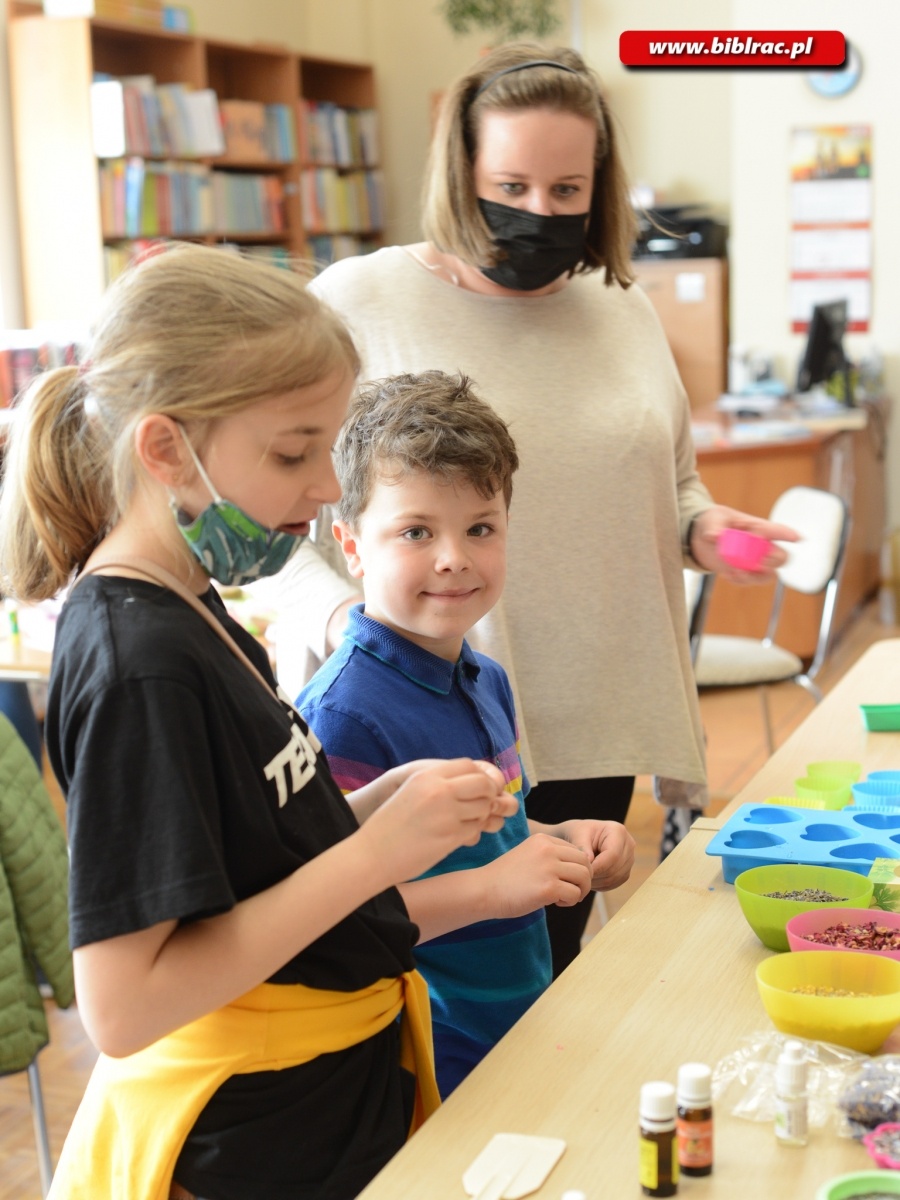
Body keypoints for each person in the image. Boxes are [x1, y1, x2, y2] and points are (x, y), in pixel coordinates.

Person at [252, 42, 798, 978]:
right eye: (511, 183)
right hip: (409, 716)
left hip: (595, 702)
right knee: (405, 972)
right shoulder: (356, 302)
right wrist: (346, 616)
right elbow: (262, 518)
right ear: (462, 174)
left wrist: (705, 532)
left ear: (601, 187)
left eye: (566, 189)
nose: (538, 212)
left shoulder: (621, 306)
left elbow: (669, 485)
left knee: (536, 968)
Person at [0, 243, 524, 1200]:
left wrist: (365, 818)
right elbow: (124, 1006)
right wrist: (371, 858)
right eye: (293, 452)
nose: (328, 486)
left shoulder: (198, 601)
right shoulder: (139, 666)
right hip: (252, 1135)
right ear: (165, 450)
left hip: (319, 1102)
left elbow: (243, 865)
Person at [296, 370, 635, 1096]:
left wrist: (565, 834)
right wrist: (493, 890)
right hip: (428, 1051)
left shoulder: (485, 678)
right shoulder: (343, 715)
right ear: (351, 545)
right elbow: (335, 918)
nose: (455, 556)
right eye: (416, 531)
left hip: (517, 1021)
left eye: (480, 527)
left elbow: (498, 835)